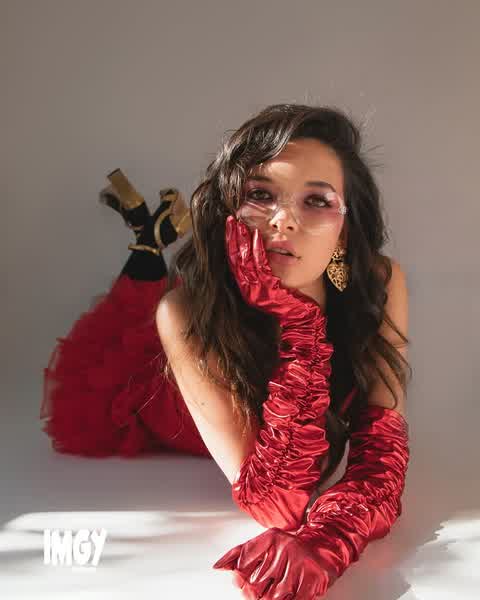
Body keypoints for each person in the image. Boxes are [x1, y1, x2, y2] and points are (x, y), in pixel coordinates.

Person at [41, 104, 412, 599]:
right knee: (129, 338)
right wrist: (300, 324)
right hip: (162, 405)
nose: (283, 221)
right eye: (261, 195)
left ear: (343, 230)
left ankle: (150, 236)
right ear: (231, 212)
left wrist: (331, 541)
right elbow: (278, 505)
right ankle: (147, 242)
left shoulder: (379, 284)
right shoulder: (185, 316)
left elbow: (382, 454)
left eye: (316, 201)